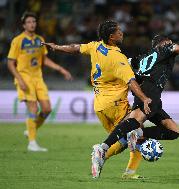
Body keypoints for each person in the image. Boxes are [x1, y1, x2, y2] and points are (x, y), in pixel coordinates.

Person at [91, 34, 179, 179]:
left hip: (146, 93)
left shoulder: (141, 58)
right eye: (169, 42)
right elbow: (178, 48)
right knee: (134, 120)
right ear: (164, 43)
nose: (171, 43)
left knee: (174, 131)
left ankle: (136, 135)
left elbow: (124, 63)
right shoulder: (164, 49)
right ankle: (103, 147)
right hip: (150, 94)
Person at [42, 20, 152, 179]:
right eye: (118, 31)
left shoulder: (95, 46)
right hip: (116, 105)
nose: (122, 33)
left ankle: (101, 156)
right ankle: (122, 167)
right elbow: (131, 82)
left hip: (100, 106)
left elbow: (75, 48)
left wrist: (57, 47)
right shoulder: (117, 57)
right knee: (138, 133)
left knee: (120, 142)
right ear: (111, 36)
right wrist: (144, 98)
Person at [7, 12, 73, 152]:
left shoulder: (40, 39)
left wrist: (61, 69)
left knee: (47, 109)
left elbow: (45, 60)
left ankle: (31, 129)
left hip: (38, 78)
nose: (32, 24)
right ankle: (32, 143)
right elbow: (10, 63)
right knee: (33, 109)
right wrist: (19, 80)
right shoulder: (18, 40)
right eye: (29, 22)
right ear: (24, 25)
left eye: (34, 21)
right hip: (24, 77)